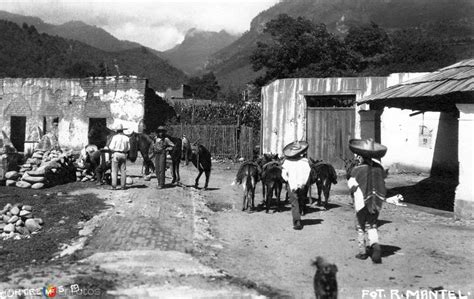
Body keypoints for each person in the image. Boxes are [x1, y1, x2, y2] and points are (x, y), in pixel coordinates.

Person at [347, 138, 388, 264]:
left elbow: (352, 186)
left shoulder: (357, 170)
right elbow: (383, 181)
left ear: (361, 156)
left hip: (361, 203)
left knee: (360, 226)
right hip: (375, 202)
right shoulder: (379, 169)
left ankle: (362, 252)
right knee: (372, 225)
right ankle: (375, 245)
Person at [281, 140, 311, 230]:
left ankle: (297, 221)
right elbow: (307, 173)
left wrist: (288, 180)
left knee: (294, 203)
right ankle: (300, 216)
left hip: (292, 185)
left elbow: (283, 175)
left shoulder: (287, 162)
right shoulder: (305, 162)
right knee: (301, 200)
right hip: (302, 185)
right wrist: (303, 183)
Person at [108, 124, 130, 190]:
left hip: (116, 154)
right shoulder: (126, 138)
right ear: (122, 130)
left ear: (117, 130)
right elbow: (129, 148)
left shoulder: (114, 137)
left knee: (114, 170)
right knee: (123, 170)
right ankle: (123, 186)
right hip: (123, 154)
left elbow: (111, 147)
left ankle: (114, 186)